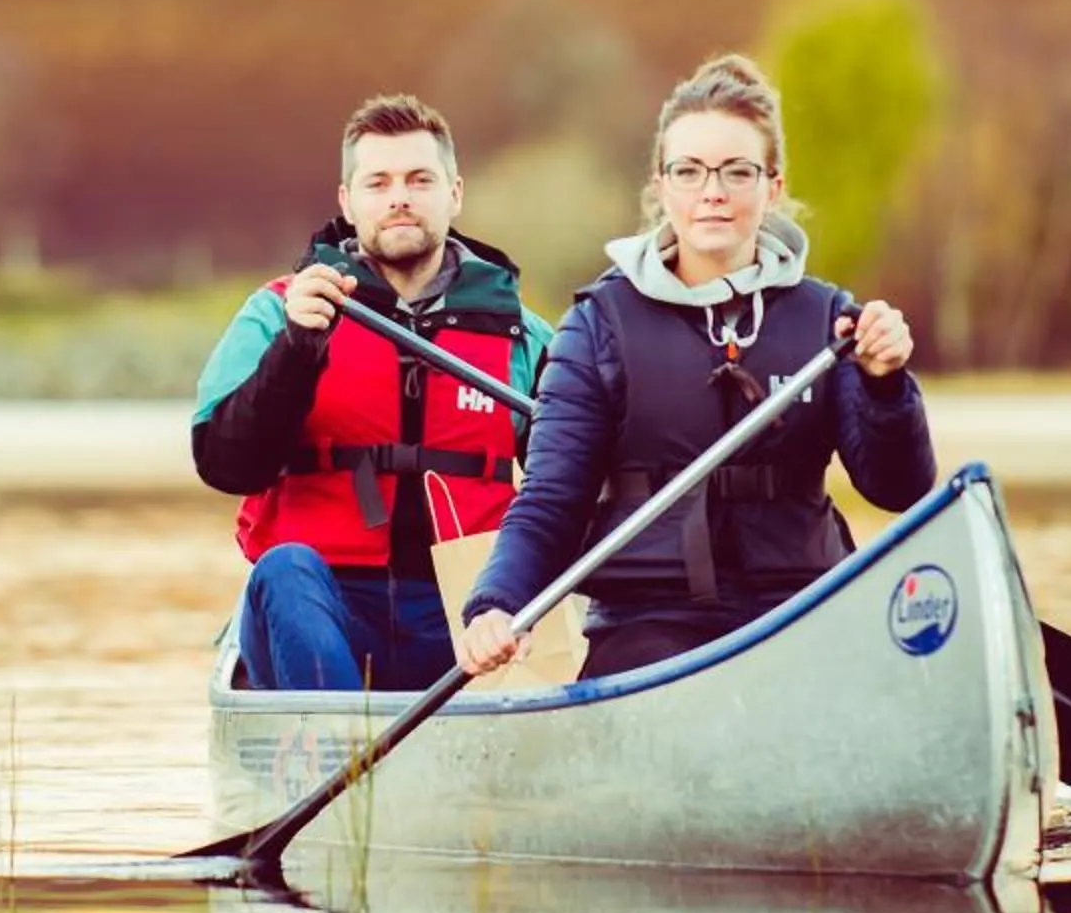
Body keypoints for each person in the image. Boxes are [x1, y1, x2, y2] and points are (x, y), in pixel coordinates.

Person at [457, 56, 932, 683]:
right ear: (661, 185)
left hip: (803, 605)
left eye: (738, 171)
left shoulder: (831, 323)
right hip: (648, 619)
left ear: (773, 186)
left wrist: (885, 384)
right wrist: (495, 604)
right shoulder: (597, 327)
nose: (713, 192)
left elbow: (900, 490)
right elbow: (550, 502)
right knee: (648, 661)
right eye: (689, 171)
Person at [195, 93, 557, 692]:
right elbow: (225, 464)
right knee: (284, 568)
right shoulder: (278, 312)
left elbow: (574, 486)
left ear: (454, 194)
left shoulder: (524, 337)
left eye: (420, 180)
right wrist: (295, 350)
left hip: (469, 617)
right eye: (378, 183)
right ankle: (340, 740)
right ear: (347, 201)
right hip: (324, 607)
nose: (399, 198)